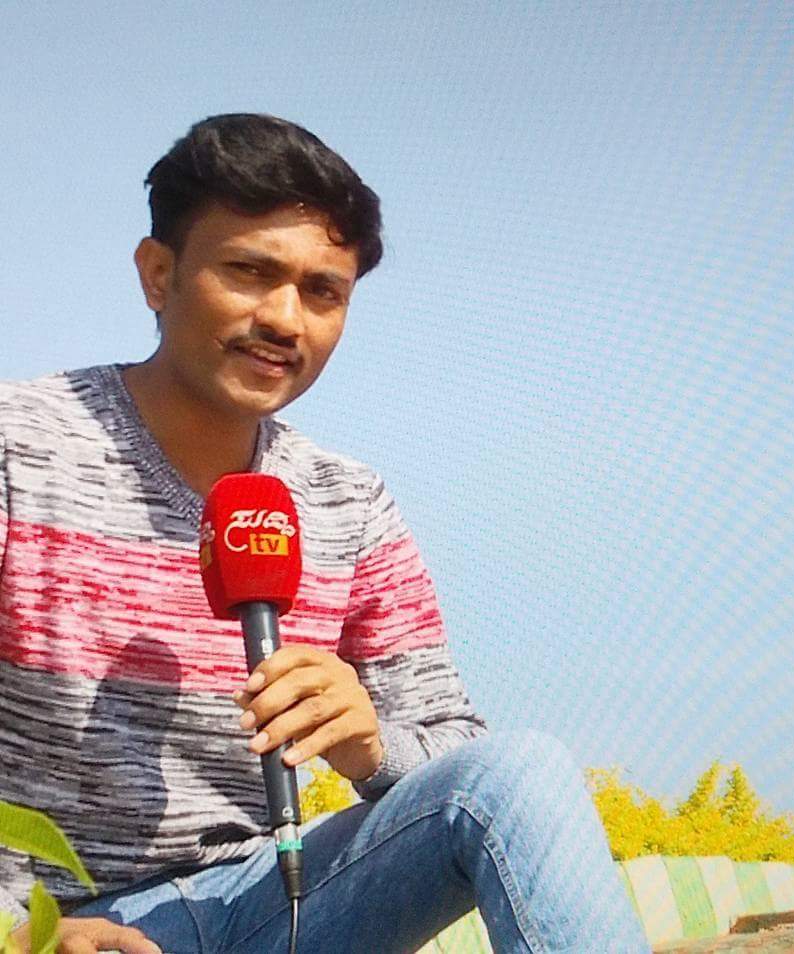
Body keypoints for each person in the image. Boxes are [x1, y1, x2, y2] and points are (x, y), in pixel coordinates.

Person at [0, 114, 648, 953]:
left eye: (323, 292)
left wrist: (369, 744)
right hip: (49, 922)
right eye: (249, 272)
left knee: (515, 777)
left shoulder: (348, 500)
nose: (285, 319)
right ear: (158, 274)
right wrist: (24, 934)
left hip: (270, 903)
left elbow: (452, 738)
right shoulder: (19, 447)